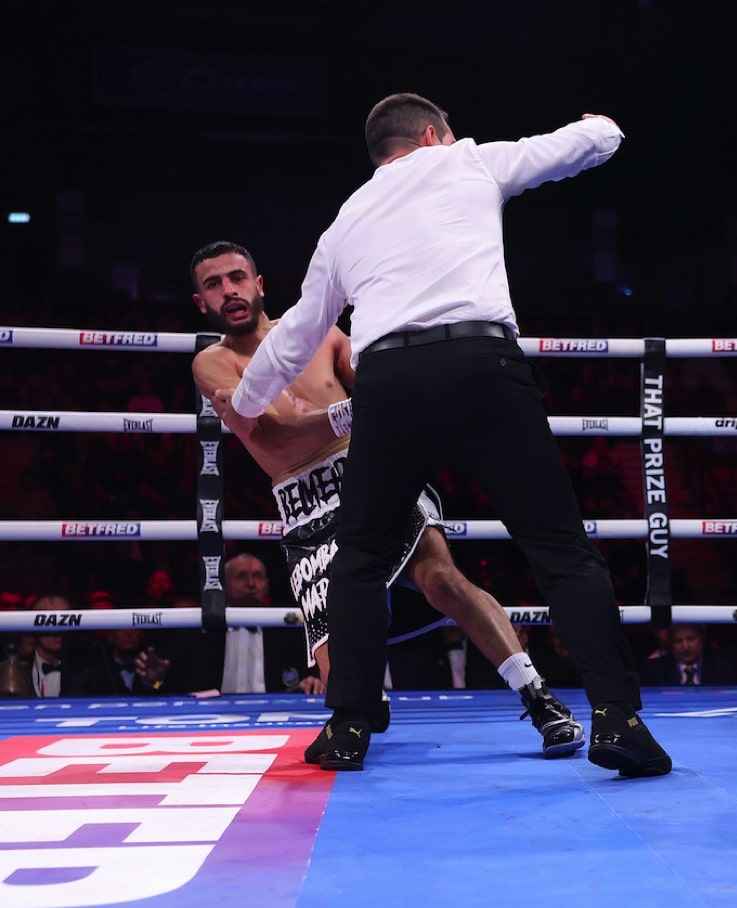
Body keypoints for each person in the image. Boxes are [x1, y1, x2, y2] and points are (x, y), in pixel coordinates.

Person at [190, 240, 586, 766]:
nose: (229, 291)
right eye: (214, 285)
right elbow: (276, 436)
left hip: (371, 468)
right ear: (202, 303)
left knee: (441, 578)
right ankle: (357, 712)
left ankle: (540, 699)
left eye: (237, 277)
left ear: (259, 285)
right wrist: (350, 414)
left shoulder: (323, 335)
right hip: (304, 501)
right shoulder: (210, 363)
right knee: (338, 655)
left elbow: (384, 385)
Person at [161, 553, 320, 695]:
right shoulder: (198, 630)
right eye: (241, 576)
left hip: (274, 713)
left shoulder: (287, 630)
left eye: (258, 576)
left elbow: (312, 675)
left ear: (266, 585)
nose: (251, 583)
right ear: (224, 584)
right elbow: (166, 682)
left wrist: (314, 681)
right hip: (213, 717)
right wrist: (154, 679)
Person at [640, 624, 737, 687]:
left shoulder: (722, 668)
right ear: (671, 643)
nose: (685, 647)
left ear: (702, 637)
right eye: (678, 641)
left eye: (691, 639)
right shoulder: (654, 670)